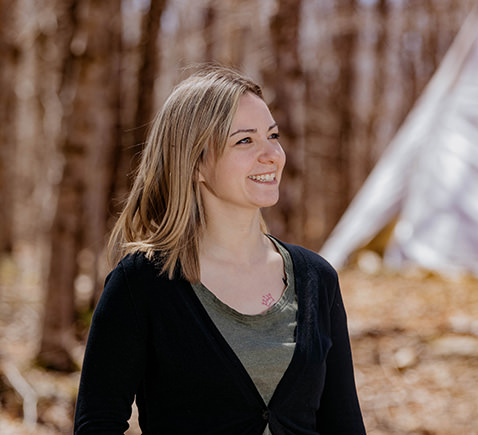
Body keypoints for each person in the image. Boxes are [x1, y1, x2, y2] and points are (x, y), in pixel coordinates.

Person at [73, 65, 366, 434]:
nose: (272, 154)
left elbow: (344, 425)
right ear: (196, 162)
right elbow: (97, 424)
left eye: (272, 135)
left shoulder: (316, 280)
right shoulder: (140, 284)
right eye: (245, 141)